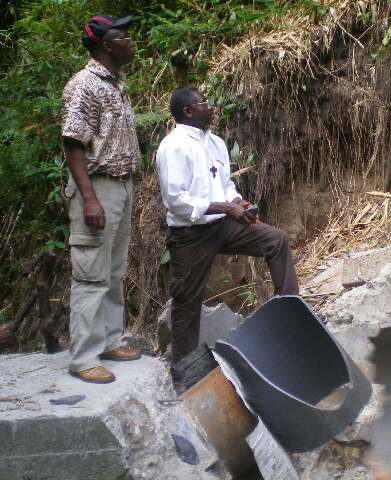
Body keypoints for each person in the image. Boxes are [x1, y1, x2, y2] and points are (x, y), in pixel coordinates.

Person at [156, 87, 300, 365]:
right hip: (190, 235)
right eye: (204, 103)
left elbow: (224, 184)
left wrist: (237, 201)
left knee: (277, 241)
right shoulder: (172, 147)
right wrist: (225, 207)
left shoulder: (216, 142)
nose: (210, 107)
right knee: (186, 302)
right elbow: (177, 201)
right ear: (188, 111)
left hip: (224, 225)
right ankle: (184, 369)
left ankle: (293, 315)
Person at [61, 14, 141, 384]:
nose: (129, 40)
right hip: (97, 186)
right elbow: (73, 143)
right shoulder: (85, 84)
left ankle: (110, 341)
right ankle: (83, 358)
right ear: (105, 44)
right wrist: (89, 198)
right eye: (122, 36)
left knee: (112, 270)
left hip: (121, 185)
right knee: (91, 272)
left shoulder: (116, 84)